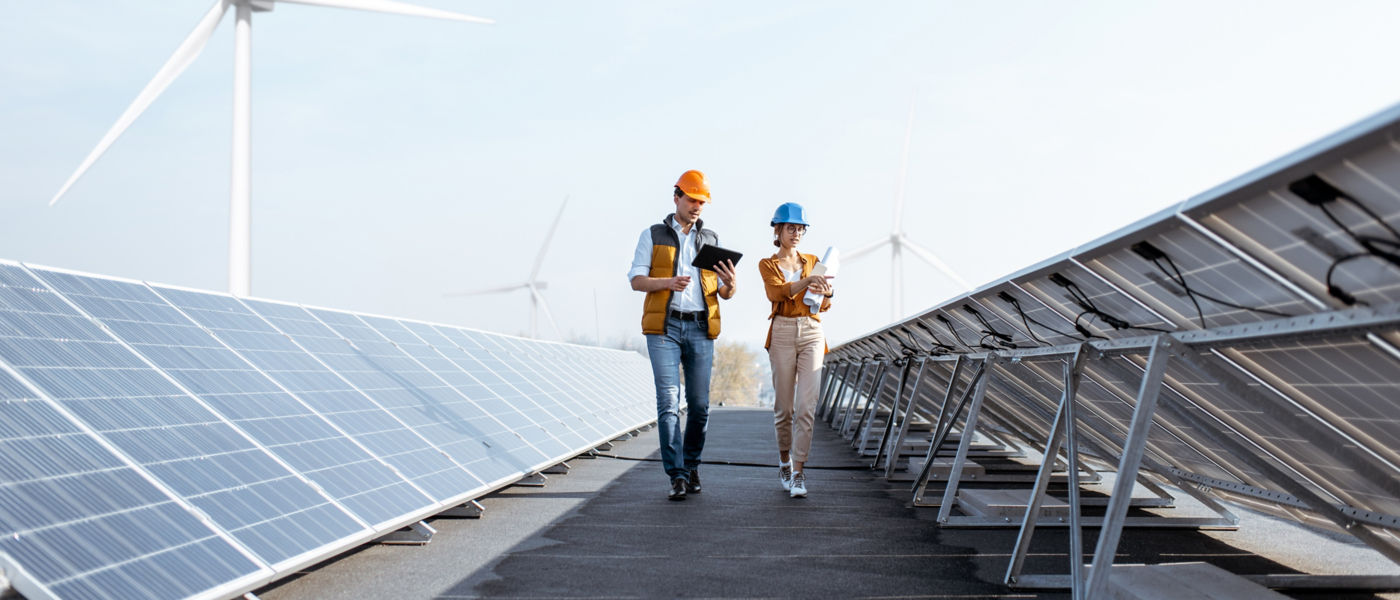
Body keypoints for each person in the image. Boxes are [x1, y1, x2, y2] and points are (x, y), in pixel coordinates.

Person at [628, 169, 737, 501]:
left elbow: (723, 290)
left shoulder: (711, 240)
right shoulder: (653, 235)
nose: (697, 206)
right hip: (665, 327)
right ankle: (675, 474)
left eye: (701, 201)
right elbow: (635, 280)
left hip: (701, 327)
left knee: (701, 406)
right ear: (676, 197)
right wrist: (667, 283)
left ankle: (691, 466)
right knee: (669, 402)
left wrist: (731, 285)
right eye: (692, 199)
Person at [758, 202, 832, 498]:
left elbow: (823, 304)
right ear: (778, 230)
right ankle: (784, 460)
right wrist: (806, 282)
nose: (797, 233)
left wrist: (826, 293)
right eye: (791, 228)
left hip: (812, 330)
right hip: (783, 332)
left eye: (800, 228)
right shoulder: (768, 264)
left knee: (806, 408)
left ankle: (799, 472)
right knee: (784, 408)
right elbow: (776, 293)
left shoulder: (813, 261)